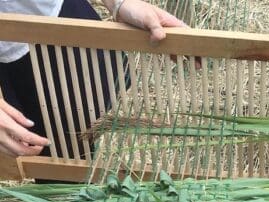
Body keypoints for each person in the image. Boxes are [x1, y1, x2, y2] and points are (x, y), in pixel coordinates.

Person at [0, 0, 186, 158]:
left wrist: (119, 3)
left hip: (53, 17)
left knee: (76, 131)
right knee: (51, 149)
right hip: (13, 51)